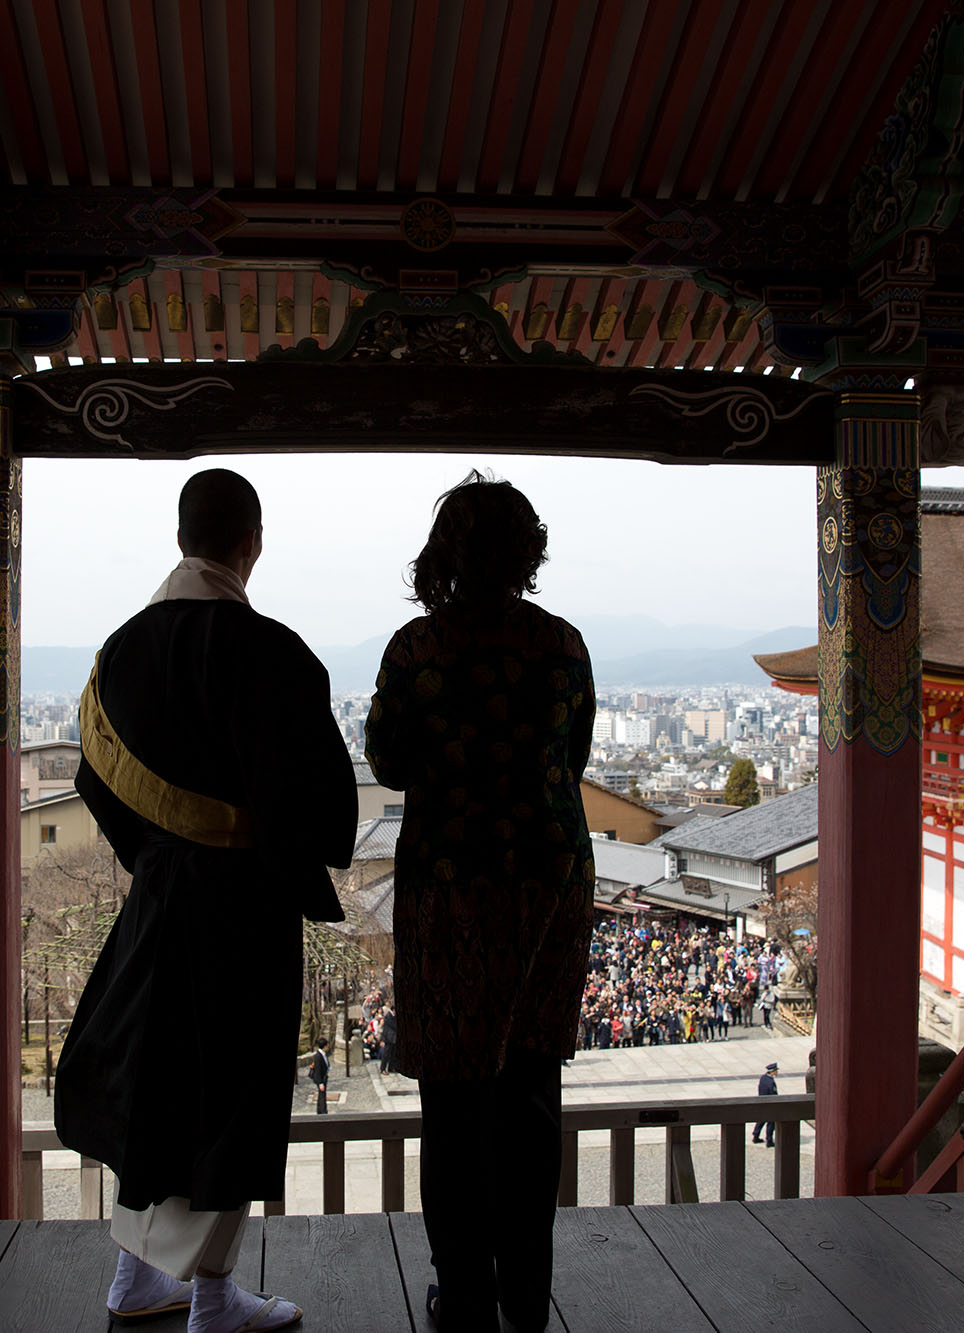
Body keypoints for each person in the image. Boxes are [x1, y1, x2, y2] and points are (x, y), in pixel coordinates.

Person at [55, 468, 357, 1333]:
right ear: (251, 543)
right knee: (231, 1096)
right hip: (246, 914)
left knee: (154, 1090)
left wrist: (157, 857)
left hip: (156, 905)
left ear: (181, 536)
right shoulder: (276, 654)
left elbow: (95, 777)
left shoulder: (117, 656)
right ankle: (214, 1299)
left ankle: (133, 1279)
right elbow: (324, 808)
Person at [366, 473, 595, 1333]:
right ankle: (527, 1296)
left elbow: (386, 761)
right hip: (547, 883)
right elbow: (570, 758)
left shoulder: (418, 649)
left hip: (452, 884)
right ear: (526, 549)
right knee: (532, 1087)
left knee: (455, 1099)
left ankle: (462, 1292)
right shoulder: (563, 643)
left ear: (447, 554)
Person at [751, 1062, 779, 1146]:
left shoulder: (763, 1078)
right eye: (776, 1071)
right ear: (772, 1072)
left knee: (761, 1120)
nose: (777, 1072)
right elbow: (773, 1095)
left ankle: (755, 1135)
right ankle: (769, 1140)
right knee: (771, 1122)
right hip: (769, 1105)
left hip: (762, 1103)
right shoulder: (771, 1082)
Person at [308, 1037, 331, 1116]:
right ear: (324, 1046)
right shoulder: (318, 1056)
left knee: (321, 1095)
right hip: (321, 1079)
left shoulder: (323, 1054)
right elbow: (317, 1071)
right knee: (322, 1096)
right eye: (327, 1045)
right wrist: (320, 1083)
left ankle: (319, 1110)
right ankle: (323, 1112)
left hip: (324, 1077)